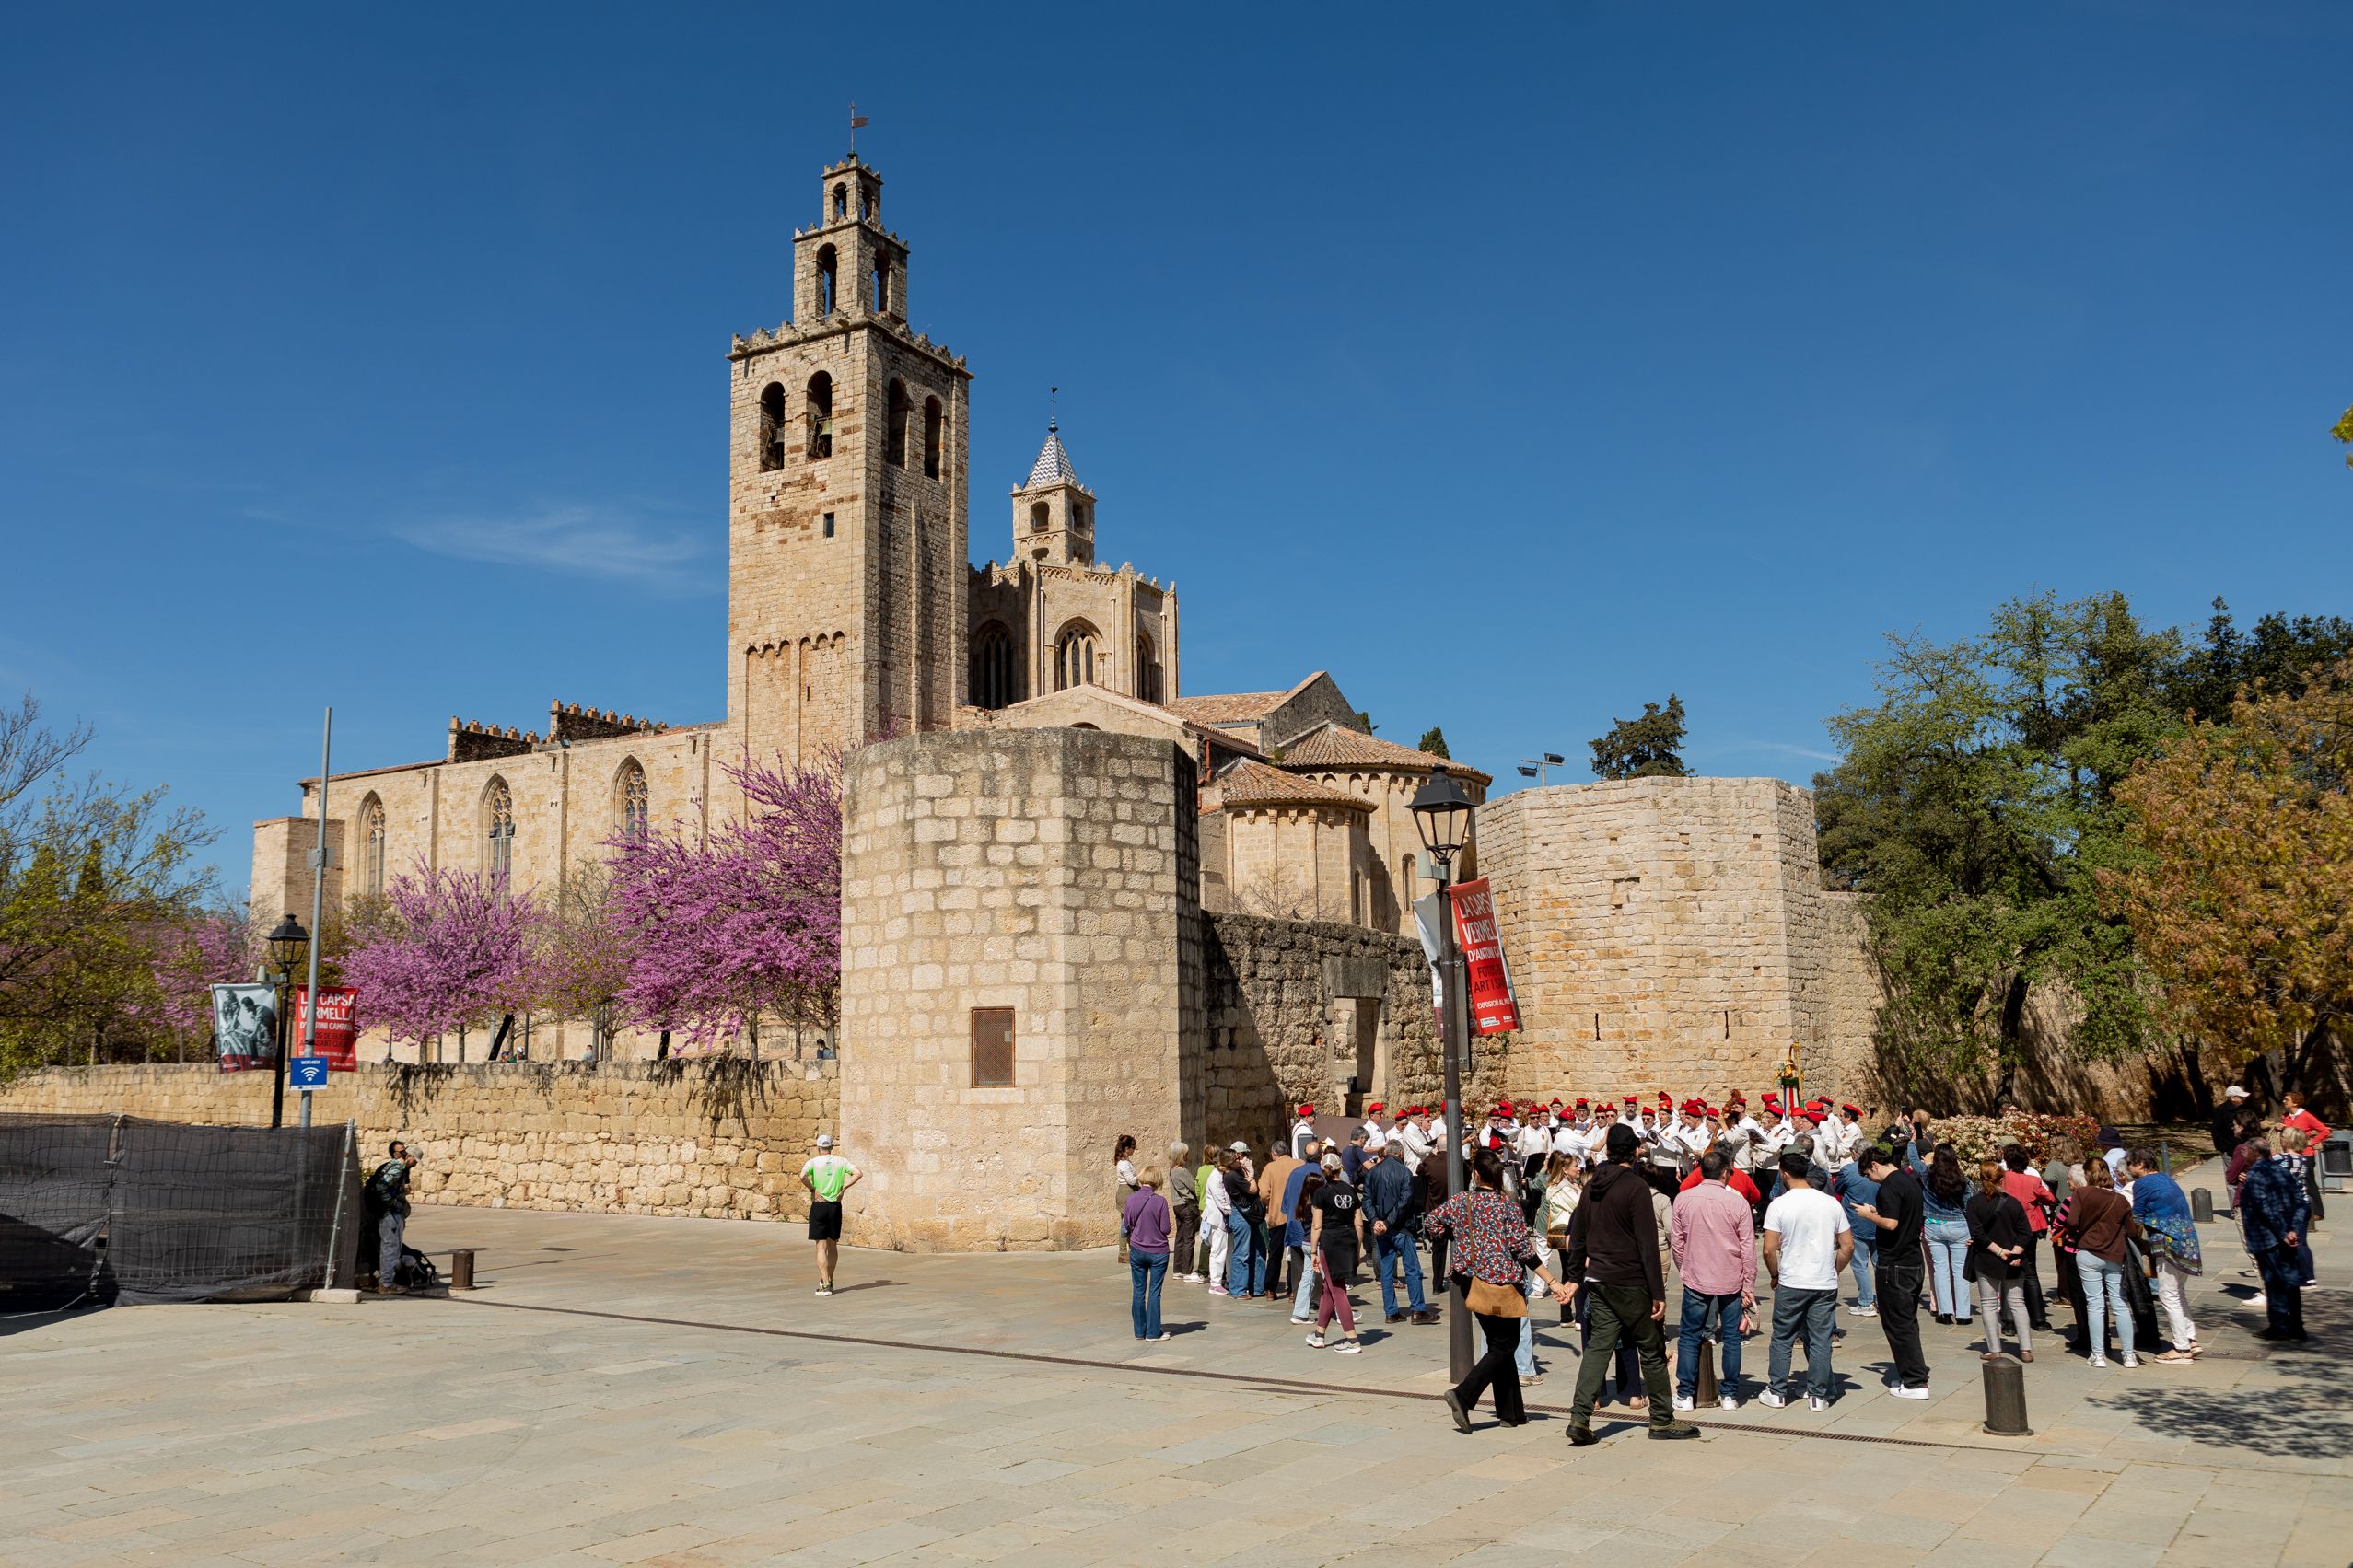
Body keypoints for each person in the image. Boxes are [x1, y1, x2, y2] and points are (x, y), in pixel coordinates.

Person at [1562, 1124, 1697, 1444]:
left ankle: (1580, 1417)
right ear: (1633, 1151)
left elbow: (1577, 1236)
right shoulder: (1636, 1187)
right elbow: (1647, 1243)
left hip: (1599, 1279)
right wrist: (1657, 1292)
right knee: (1650, 1348)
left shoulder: (1591, 1185)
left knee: (1598, 1348)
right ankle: (1662, 1420)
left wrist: (1574, 1278)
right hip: (1630, 1280)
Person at [1423, 1149, 1570, 1433]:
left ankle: (1511, 1412)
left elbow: (1431, 1222)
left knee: (1498, 1345)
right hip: (1502, 1283)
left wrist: (1457, 1235)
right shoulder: (1507, 1204)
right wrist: (1552, 1281)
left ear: (1476, 1174)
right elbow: (1523, 1250)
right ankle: (1464, 1394)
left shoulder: (1461, 1202)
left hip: (1470, 1281)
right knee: (1505, 1345)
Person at [1759, 1150, 1851, 1411]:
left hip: (1792, 1279)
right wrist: (1834, 1269)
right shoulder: (1831, 1203)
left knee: (1783, 1336)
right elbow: (1847, 1246)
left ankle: (1777, 1391)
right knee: (1821, 1339)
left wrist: (1775, 1274)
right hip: (1823, 1282)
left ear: (1785, 1174)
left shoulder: (1779, 1204)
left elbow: (1769, 1248)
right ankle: (1818, 1395)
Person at [1670, 1147, 1755, 1411]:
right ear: (1725, 1172)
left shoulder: (1683, 1199)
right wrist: (1749, 1283)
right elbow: (1747, 1246)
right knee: (1731, 1337)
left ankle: (1685, 1393)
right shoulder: (1737, 1201)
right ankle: (1729, 1394)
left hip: (1697, 1275)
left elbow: (1677, 1242)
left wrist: (1685, 1267)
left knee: (1689, 1335)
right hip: (1730, 1276)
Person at [1851, 1146, 1930, 1399]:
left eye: (1866, 1174)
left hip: (1895, 1263)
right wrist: (1878, 1214)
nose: (1868, 1179)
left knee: (1898, 1324)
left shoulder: (1889, 1187)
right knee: (1907, 1320)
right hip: (1912, 1259)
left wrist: (1868, 1215)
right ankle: (1913, 1372)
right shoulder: (1909, 1181)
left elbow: (1892, 1223)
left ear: (1874, 1165)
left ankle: (1915, 1382)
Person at [2063, 1158, 2143, 1367]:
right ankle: (2129, 1355)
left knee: (2095, 1304)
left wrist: (2078, 1234)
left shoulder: (2082, 1194)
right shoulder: (2120, 1200)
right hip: (2113, 1253)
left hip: (2088, 1251)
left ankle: (2097, 1354)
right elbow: (2132, 1231)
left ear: (2088, 1175)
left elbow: (2071, 1222)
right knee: (2119, 1304)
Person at [2125, 1147, 2202, 1360]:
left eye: (2130, 1164)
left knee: (2168, 1294)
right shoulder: (2167, 1179)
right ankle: (2190, 1339)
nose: (2129, 1168)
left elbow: (2137, 1216)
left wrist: (2134, 1238)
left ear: (2140, 1164)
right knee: (2179, 1293)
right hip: (2187, 1239)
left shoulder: (2143, 1183)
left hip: (2168, 1242)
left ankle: (2180, 1348)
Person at [2239, 1136, 2309, 1342]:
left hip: (2267, 1237)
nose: (2242, 1154)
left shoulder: (2255, 1176)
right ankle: (2296, 1325)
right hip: (2286, 1235)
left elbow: (2264, 1208)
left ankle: (2279, 1326)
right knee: (2290, 1280)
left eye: (2245, 1151)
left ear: (2254, 1153)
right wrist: (2293, 1230)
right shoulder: (2281, 1170)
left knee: (2274, 1281)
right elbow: (2300, 1201)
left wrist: (2283, 1233)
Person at [1965, 1157, 2033, 1360]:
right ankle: (2026, 1349)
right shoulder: (2013, 1203)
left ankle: (1994, 1349)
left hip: (1987, 1258)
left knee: (1988, 1304)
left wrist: (1999, 1251)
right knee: (2017, 1303)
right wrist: (2014, 1252)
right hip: (2014, 1260)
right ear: (2001, 1179)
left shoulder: (1974, 1203)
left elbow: (1977, 1234)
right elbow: (2026, 1232)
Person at [1365, 1140, 1437, 1324]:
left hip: (1382, 1227)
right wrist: (1387, 1222)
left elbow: (1367, 1200)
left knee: (1387, 1272)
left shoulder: (1373, 1173)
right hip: (1401, 1228)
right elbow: (1404, 1201)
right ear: (1400, 1153)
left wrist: (1376, 1221)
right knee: (1412, 1269)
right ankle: (1418, 1309)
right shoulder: (1404, 1172)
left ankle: (1391, 1311)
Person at [1306, 1152, 1367, 1353]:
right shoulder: (1350, 1190)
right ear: (1340, 1168)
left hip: (1330, 1241)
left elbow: (1317, 1225)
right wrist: (1357, 1248)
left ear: (1323, 1170)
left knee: (1337, 1289)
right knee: (1328, 1288)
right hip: (1348, 1239)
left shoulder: (1321, 1193)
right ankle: (1319, 1333)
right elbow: (1358, 1222)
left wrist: (1313, 1250)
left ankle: (1352, 1338)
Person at [799, 1132, 861, 1297]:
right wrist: (843, 1189)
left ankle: (825, 1284)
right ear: (831, 1147)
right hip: (835, 1206)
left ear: (819, 1147)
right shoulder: (841, 1162)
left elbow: (802, 1176)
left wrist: (813, 1189)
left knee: (821, 1245)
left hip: (819, 1206)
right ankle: (830, 1280)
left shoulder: (813, 1162)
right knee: (833, 1244)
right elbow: (858, 1173)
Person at [1122, 1166, 1174, 1342]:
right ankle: (1153, 1332)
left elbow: (1127, 1225)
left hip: (1137, 1249)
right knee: (1154, 1291)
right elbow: (1165, 1229)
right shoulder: (1160, 1201)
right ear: (1157, 1181)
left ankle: (1139, 1331)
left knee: (1138, 1291)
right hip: (1158, 1251)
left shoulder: (1131, 1199)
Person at [1922, 1146, 1974, 1325]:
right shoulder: (1963, 1180)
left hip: (1933, 1225)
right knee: (1960, 1271)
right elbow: (1968, 1205)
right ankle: (1963, 1314)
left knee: (1940, 1270)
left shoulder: (1927, 1175)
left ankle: (1944, 1312)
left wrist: (1914, 1140)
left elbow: (1913, 1160)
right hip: (1958, 1225)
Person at [1830, 1152, 1880, 1318]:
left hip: (1856, 1221)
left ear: (1855, 1153)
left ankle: (1866, 1302)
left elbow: (1838, 1188)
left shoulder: (1849, 1170)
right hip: (1879, 1220)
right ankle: (1883, 1300)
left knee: (1859, 1264)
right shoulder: (1879, 1170)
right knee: (1879, 1263)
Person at [366, 1141, 418, 1294]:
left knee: (393, 1247)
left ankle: (387, 1281)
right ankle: (386, 1284)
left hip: (390, 1212)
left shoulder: (401, 1168)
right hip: (387, 1213)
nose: (415, 1164)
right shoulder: (396, 1167)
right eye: (414, 1160)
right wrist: (392, 1203)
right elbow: (381, 1186)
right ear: (408, 1156)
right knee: (391, 1247)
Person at [1257, 1141, 1301, 1302]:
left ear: (1274, 1154)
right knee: (1295, 1254)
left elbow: (1263, 1193)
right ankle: (1293, 1290)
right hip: (1297, 1215)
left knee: (1275, 1253)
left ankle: (1270, 1289)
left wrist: (1272, 1201)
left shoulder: (1270, 1167)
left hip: (1277, 1215)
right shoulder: (1299, 1164)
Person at [1223, 1149, 1266, 1298]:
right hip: (1242, 1216)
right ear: (1230, 1162)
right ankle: (1238, 1289)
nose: (1240, 1161)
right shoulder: (1231, 1176)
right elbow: (1253, 1189)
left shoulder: (1236, 1174)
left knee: (1259, 1250)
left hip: (1249, 1215)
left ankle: (1257, 1287)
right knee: (1242, 1253)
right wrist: (1251, 1173)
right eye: (1237, 1159)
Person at [2282, 1092, 2330, 1222]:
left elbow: (2325, 1131)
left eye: (2287, 1100)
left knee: (2308, 1183)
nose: (2284, 1102)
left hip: (2305, 1155)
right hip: (2290, 1154)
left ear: (2295, 1102)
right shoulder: (2286, 1116)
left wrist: (2312, 1142)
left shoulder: (2306, 1116)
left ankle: (2318, 1212)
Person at [1203, 1142, 1235, 1294]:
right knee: (1218, 1249)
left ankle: (1229, 1278)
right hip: (1218, 1218)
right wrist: (1232, 1211)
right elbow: (1221, 1201)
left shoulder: (1223, 1175)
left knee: (1229, 1249)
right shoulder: (1215, 1177)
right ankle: (1215, 1282)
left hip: (1225, 1218)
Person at [1113, 1134, 1140, 1265]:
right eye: (1132, 1147)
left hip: (1129, 1193)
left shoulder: (1126, 1162)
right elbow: (1131, 1180)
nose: (1134, 1150)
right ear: (1126, 1148)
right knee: (1125, 1225)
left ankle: (1131, 1250)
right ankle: (1123, 1253)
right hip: (1126, 1193)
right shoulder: (1123, 1164)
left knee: (1129, 1223)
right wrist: (1141, 1174)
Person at [2212, 1085, 2256, 1157]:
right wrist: (2223, 1148)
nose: (2244, 1099)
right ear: (2232, 1098)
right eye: (2241, 1097)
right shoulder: (2220, 1110)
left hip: (2245, 1146)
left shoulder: (2244, 1109)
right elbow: (2216, 1130)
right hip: (2229, 1148)